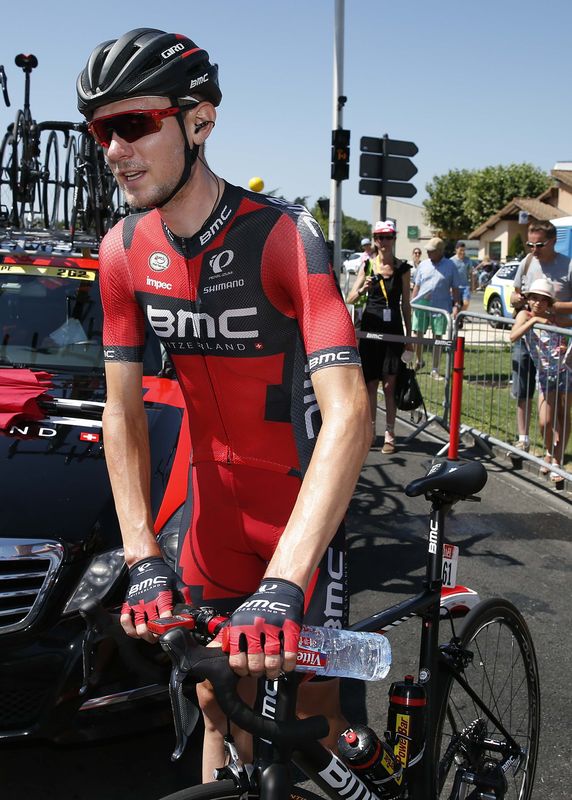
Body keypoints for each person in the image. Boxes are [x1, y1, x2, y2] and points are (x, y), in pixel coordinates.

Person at [76, 28, 371, 781]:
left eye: (134, 124)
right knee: (213, 705)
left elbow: (350, 413)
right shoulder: (121, 250)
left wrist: (285, 577)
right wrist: (142, 555)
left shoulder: (282, 237)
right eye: (100, 129)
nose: (113, 149)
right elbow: (124, 413)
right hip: (211, 522)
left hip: (297, 527)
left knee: (313, 724)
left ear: (199, 121)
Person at [347, 220, 413, 453]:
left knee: (390, 384)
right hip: (370, 327)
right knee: (371, 383)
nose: (383, 242)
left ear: (394, 239)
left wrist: (409, 336)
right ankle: (372, 431)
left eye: (388, 237)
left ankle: (390, 433)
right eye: (379, 237)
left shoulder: (402, 268)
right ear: (374, 240)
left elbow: (406, 304)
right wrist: (362, 289)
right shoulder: (367, 265)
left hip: (393, 329)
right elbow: (350, 298)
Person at [509, 221, 572, 453]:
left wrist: (552, 309)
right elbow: (515, 295)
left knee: (559, 403)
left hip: (557, 341)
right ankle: (523, 437)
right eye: (530, 244)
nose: (533, 249)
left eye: (539, 244)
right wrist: (518, 300)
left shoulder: (567, 265)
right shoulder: (526, 262)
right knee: (522, 386)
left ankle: (554, 453)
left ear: (553, 241)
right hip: (528, 334)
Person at [510, 278, 572, 485]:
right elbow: (513, 336)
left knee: (563, 416)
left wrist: (565, 342)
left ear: (549, 302)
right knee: (545, 421)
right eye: (534, 298)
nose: (538, 303)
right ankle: (548, 451)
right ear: (527, 299)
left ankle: (557, 459)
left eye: (543, 300)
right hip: (545, 376)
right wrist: (534, 321)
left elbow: (566, 328)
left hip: (565, 372)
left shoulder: (554, 318)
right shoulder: (524, 315)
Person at [410, 237, 461, 379]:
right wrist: (412, 303)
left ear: (440, 251)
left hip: (440, 307)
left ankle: (435, 369)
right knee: (417, 335)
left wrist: (457, 305)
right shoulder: (423, 265)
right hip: (421, 304)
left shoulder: (450, 266)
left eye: (431, 251)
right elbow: (417, 286)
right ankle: (419, 361)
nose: (427, 253)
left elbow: (455, 288)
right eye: (427, 250)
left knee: (437, 337)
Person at [450, 241, 472, 311]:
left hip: (465, 286)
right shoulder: (451, 261)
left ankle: (460, 316)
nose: (462, 252)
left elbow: (470, 273)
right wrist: (449, 287)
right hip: (455, 287)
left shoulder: (468, 260)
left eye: (464, 250)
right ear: (456, 250)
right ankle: (455, 318)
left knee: (466, 303)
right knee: (456, 306)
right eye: (461, 250)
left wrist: (472, 286)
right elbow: (449, 275)